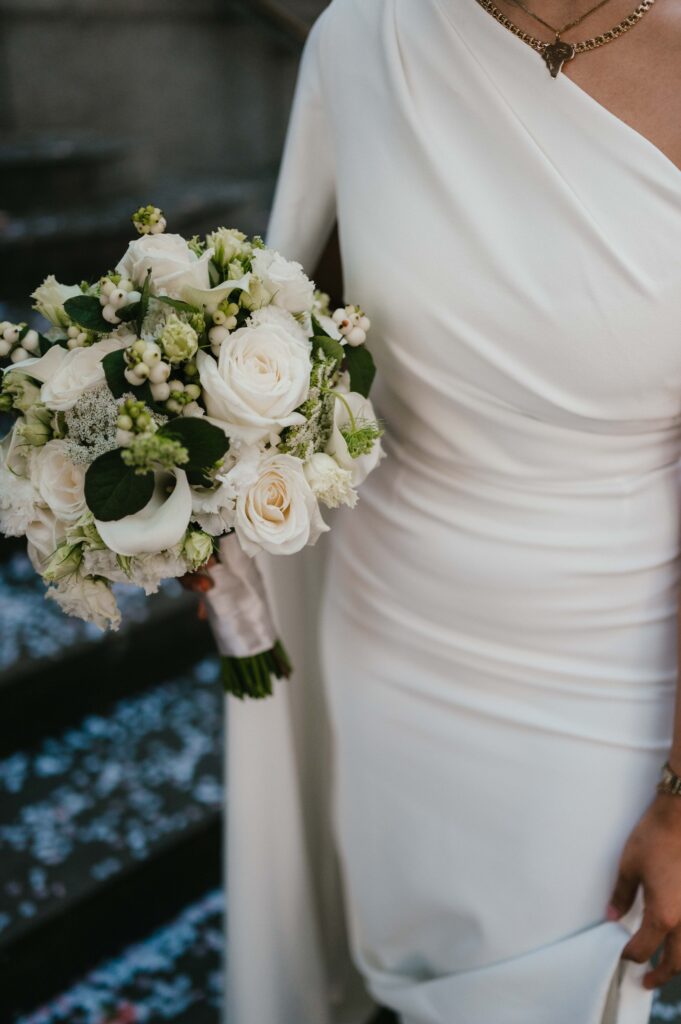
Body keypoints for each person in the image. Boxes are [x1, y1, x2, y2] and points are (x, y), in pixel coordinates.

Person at [183, 1, 681, 1021]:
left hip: (611, 668)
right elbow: (297, 337)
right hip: (391, 638)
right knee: (412, 982)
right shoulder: (365, 38)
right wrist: (193, 484)